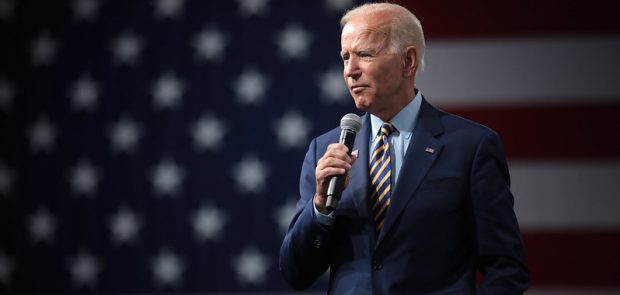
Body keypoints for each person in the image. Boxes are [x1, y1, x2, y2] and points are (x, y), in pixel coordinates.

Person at [279, 3, 530, 294]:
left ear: (408, 61)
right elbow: (296, 273)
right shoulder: (325, 148)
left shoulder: (470, 146)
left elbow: (506, 268)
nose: (350, 70)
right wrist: (320, 207)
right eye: (345, 57)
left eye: (364, 54)